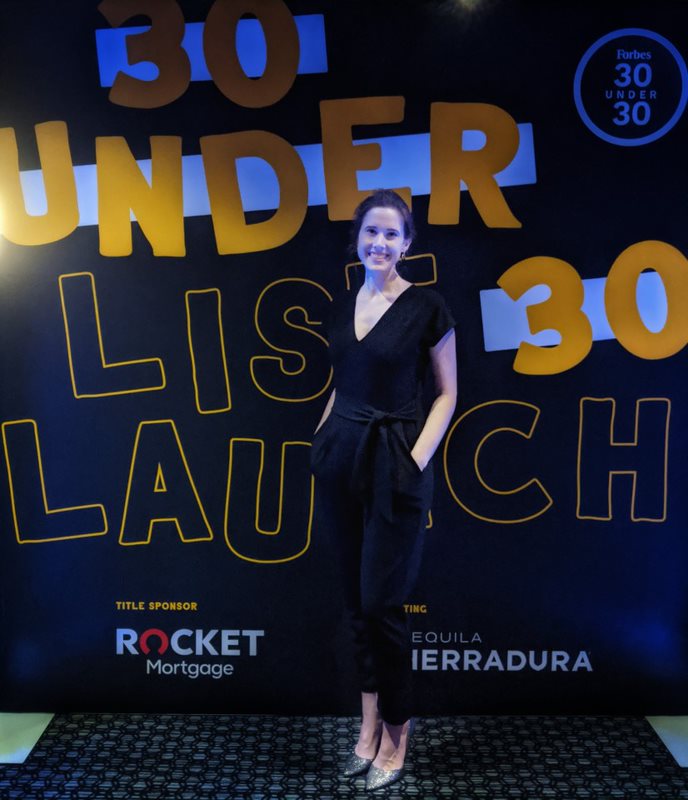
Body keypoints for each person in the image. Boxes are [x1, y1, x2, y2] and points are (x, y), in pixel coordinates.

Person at [310, 189, 457, 791]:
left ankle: (398, 733)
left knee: (383, 607)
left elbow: (448, 393)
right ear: (358, 237)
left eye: (392, 234)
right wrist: (321, 439)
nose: (380, 243)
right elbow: (342, 384)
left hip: (395, 465)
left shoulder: (427, 307)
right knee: (354, 609)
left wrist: (417, 459)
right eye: (371, 232)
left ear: (407, 243)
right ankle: (367, 729)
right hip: (340, 461)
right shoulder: (347, 305)